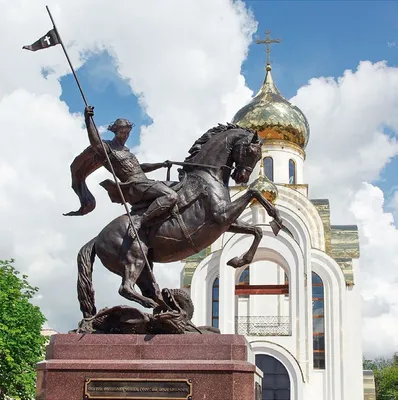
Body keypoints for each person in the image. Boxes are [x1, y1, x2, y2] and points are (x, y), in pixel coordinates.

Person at [65, 106, 178, 230]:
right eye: (122, 132)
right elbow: (96, 143)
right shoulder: (108, 148)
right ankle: (140, 221)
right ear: (115, 132)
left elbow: (140, 168)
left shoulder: (127, 151)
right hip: (134, 186)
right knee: (171, 195)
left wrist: (161, 164)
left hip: (146, 183)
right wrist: (88, 120)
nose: (125, 136)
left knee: (178, 187)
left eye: (127, 133)